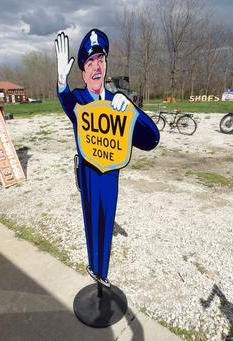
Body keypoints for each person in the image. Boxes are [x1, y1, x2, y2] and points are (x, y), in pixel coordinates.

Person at [55, 28, 159, 287]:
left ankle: (103, 272)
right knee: (91, 220)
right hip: (89, 170)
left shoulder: (117, 101)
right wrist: (60, 82)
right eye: (90, 62)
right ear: (83, 71)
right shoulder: (79, 98)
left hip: (111, 171)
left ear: (106, 63)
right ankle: (94, 269)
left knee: (107, 216)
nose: (96, 66)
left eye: (100, 60)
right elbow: (67, 100)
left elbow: (150, 139)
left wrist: (132, 111)